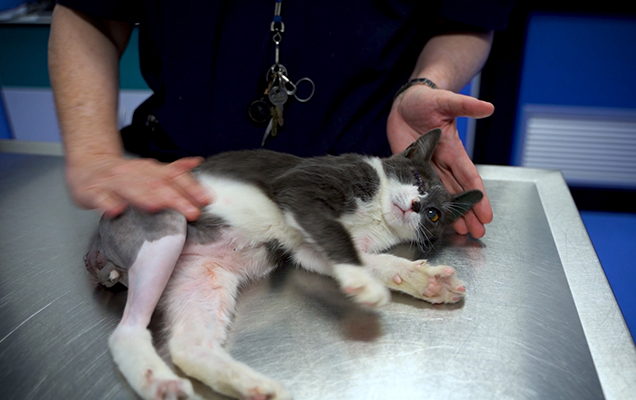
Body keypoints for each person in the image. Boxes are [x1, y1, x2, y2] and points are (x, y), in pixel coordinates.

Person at [48, 0, 514, 239]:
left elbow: (464, 17)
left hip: (367, 209)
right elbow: (89, 11)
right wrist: (92, 155)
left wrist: (427, 82)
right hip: (178, 192)